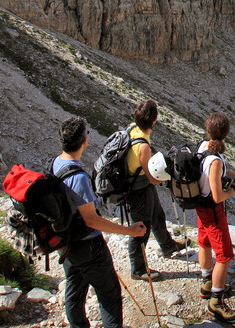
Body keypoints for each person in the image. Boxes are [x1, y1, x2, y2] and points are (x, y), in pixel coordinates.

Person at [53, 116, 147, 328]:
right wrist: (129, 230)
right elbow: (92, 220)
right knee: (110, 295)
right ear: (84, 142)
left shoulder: (56, 163)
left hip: (67, 243)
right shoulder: (78, 177)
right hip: (89, 247)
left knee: (74, 289)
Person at [124, 99, 188, 281]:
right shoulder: (143, 146)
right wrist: (168, 176)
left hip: (138, 183)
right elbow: (152, 177)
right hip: (138, 189)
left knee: (157, 213)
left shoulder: (132, 129)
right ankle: (138, 269)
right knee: (141, 227)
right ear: (154, 120)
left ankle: (167, 245)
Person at [195, 112, 235, 323]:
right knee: (224, 255)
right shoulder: (216, 160)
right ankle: (216, 301)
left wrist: (230, 173)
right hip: (213, 212)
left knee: (204, 243)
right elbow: (217, 196)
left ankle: (207, 281)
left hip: (200, 207)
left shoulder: (203, 146)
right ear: (226, 133)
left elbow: (207, 173)